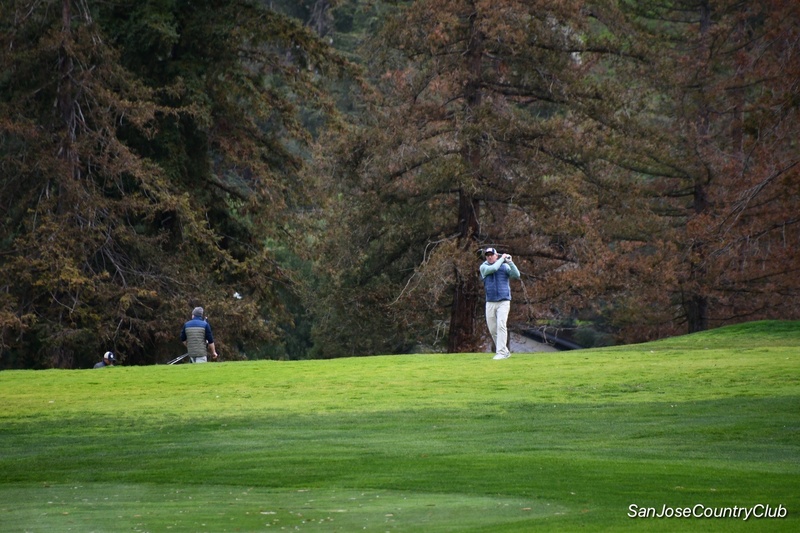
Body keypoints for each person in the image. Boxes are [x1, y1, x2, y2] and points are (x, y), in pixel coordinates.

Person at [479, 247, 521, 360]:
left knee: (501, 325)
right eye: (487, 255)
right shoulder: (484, 267)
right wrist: (502, 259)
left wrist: (510, 262)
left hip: (504, 301)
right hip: (490, 301)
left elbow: (516, 275)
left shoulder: (505, 266)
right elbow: (493, 268)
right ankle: (505, 351)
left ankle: (501, 352)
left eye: (491, 255)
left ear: (496, 255)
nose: (489, 257)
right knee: (493, 329)